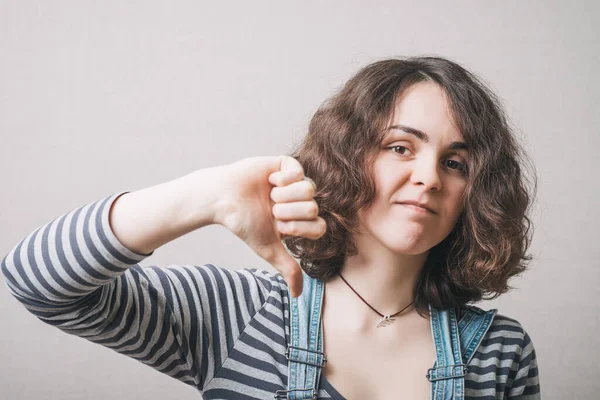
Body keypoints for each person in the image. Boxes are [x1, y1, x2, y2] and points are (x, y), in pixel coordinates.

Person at [1, 56, 540, 399]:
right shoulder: (237, 315)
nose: (428, 178)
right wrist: (206, 195)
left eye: (456, 163)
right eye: (400, 147)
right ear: (348, 158)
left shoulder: (501, 352)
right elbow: (36, 279)